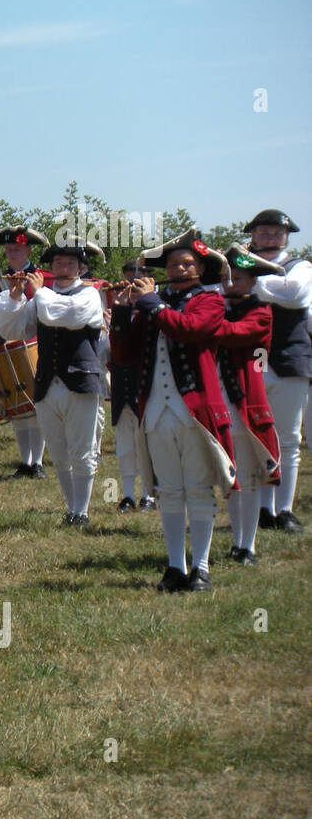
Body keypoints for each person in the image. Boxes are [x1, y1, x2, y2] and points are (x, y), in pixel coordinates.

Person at [110, 230, 236, 591]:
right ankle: (174, 566)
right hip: (156, 411)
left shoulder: (209, 301)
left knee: (197, 488)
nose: (179, 268)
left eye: (187, 263)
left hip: (194, 411)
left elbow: (190, 329)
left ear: (199, 269)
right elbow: (125, 355)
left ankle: (201, 567)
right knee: (169, 491)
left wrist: (150, 303)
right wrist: (121, 312)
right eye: (173, 263)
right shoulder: (152, 301)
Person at [0, 241, 106, 527]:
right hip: (47, 383)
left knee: (81, 450)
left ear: (81, 268)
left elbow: (66, 315)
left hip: (81, 381)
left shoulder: (90, 295)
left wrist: (39, 291)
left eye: (70, 264)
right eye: (58, 264)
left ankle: (81, 511)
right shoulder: (42, 296)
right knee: (58, 452)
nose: (63, 269)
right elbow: (12, 329)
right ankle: (72, 508)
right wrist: (15, 298)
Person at [244, 209, 310, 532]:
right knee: (256, 438)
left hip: (290, 360)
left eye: (275, 233)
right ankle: (261, 509)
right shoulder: (241, 266)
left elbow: (294, 294)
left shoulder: (302, 267)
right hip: (254, 359)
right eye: (263, 233)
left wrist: (252, 282)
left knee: (288, 439)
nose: (269, 238)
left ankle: (284, 509)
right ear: (253, 236)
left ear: (286, 237)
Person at [217, 245, 283, 565]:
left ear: (252, 282)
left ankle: (248, 545)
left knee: (247, 477)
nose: (229, 284)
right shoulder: (216, 307)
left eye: (237, 278)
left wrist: (202, 319)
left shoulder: (261, 313)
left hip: (243, 406)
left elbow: (233, 334)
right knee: (229, 477)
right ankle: (236, 543)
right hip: (215, 403)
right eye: (225, 277)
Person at [0, 226, 52, 478]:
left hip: (37, 347)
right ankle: (25, 461)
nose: (12, 252)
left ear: (28, 249)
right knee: (18, 410)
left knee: (37, 409)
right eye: (9, 249)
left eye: (17, 248)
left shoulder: (43, 277)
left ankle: (38, 462)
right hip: (8, 348)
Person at [109, 260, 155, 512]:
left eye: (137, 282)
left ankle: (149, 494)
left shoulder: (155, 310)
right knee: (125, 443)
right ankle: (127, 494)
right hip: (121, 384)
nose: (131, 286)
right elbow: (110, 352)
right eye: (128, 280)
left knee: (147, 443)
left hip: (146, 385)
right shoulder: (119, 309)